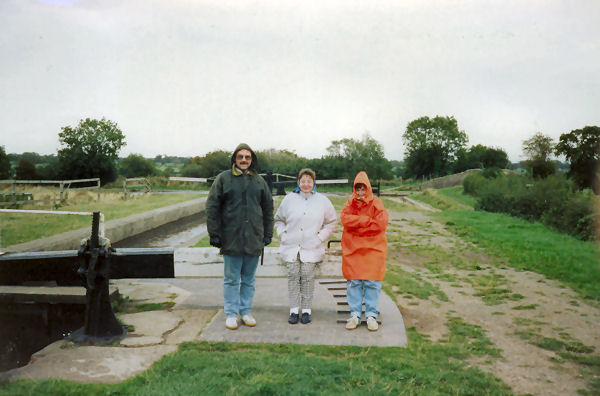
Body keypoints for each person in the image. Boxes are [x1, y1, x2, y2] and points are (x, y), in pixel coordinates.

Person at [206, 143, 274, 330]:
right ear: (235, 159)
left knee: (249, 280)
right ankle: (230, 314)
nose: (244, 160)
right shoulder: (223, 179)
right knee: (231, 279)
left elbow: (268, 209)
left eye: (248, 157)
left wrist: (268, 233)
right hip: (231, 238)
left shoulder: (259, 181)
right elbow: (212, 207)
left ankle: (245, 311)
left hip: (253, 238)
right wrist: (215, 233)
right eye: (240, 157)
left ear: (252, 160)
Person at [274, 168, 337, 325]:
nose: (306, 184)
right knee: (293, 277)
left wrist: (320, 238)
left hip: (311, 247)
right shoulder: (289, 199)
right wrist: (283, 234)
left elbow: (331, 222)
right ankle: (294, 310)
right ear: (298, 182)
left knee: (308, 277)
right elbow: (278, 219)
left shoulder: (322, 201)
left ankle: (307, 310)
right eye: (303, 181)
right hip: (291, 247)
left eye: (309, 181)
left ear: (314, 183)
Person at [340, 171, 388, 331]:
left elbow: (381, 224)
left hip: (373, 249)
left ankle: (371, 315)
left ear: (368, 189)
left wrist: (358, 227)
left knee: (372, 282)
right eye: (357, 189)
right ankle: (354, 314)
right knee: (353, 282)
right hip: (353, 249)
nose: (360, 193)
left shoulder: (377, 203)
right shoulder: (349, 204)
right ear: (354, 189)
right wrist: (366, 221)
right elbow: (345, 220)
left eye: (363, 189)